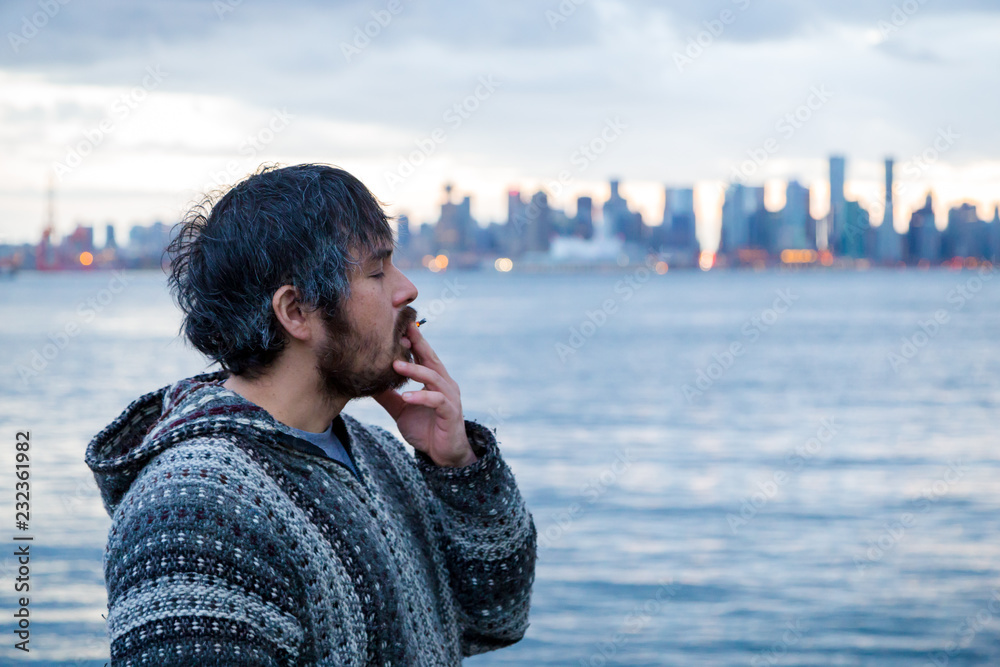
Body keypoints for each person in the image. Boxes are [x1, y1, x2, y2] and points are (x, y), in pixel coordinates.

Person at [85, 164, 537, 665]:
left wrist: (458, 468)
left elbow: (496, 620)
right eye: (377, 271)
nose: (407, 290)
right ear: (296, 311)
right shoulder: (192, 509)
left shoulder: (377, 453)